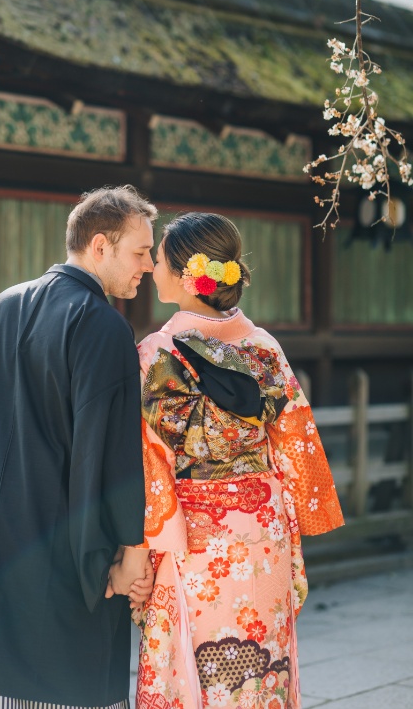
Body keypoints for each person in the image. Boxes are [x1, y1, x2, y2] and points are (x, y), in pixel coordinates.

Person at [0, 186, 157, 709]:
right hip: (58, 537)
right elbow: (112, 451)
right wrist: (130, 548)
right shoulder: (103, 325)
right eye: (141, 251)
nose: (149, 266)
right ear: (100, 246)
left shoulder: (1, 305)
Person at [134, 213, 344, 709]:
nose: (152, 267)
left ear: (188, 276)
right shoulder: (263, 345)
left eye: (158, 258)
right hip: (263, 522)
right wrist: (300, 513)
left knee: (196, 660)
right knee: (261, 655)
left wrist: (146, 542)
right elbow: (295, 436)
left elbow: (151, 459)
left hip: (195, 530)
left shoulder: (155, 352)